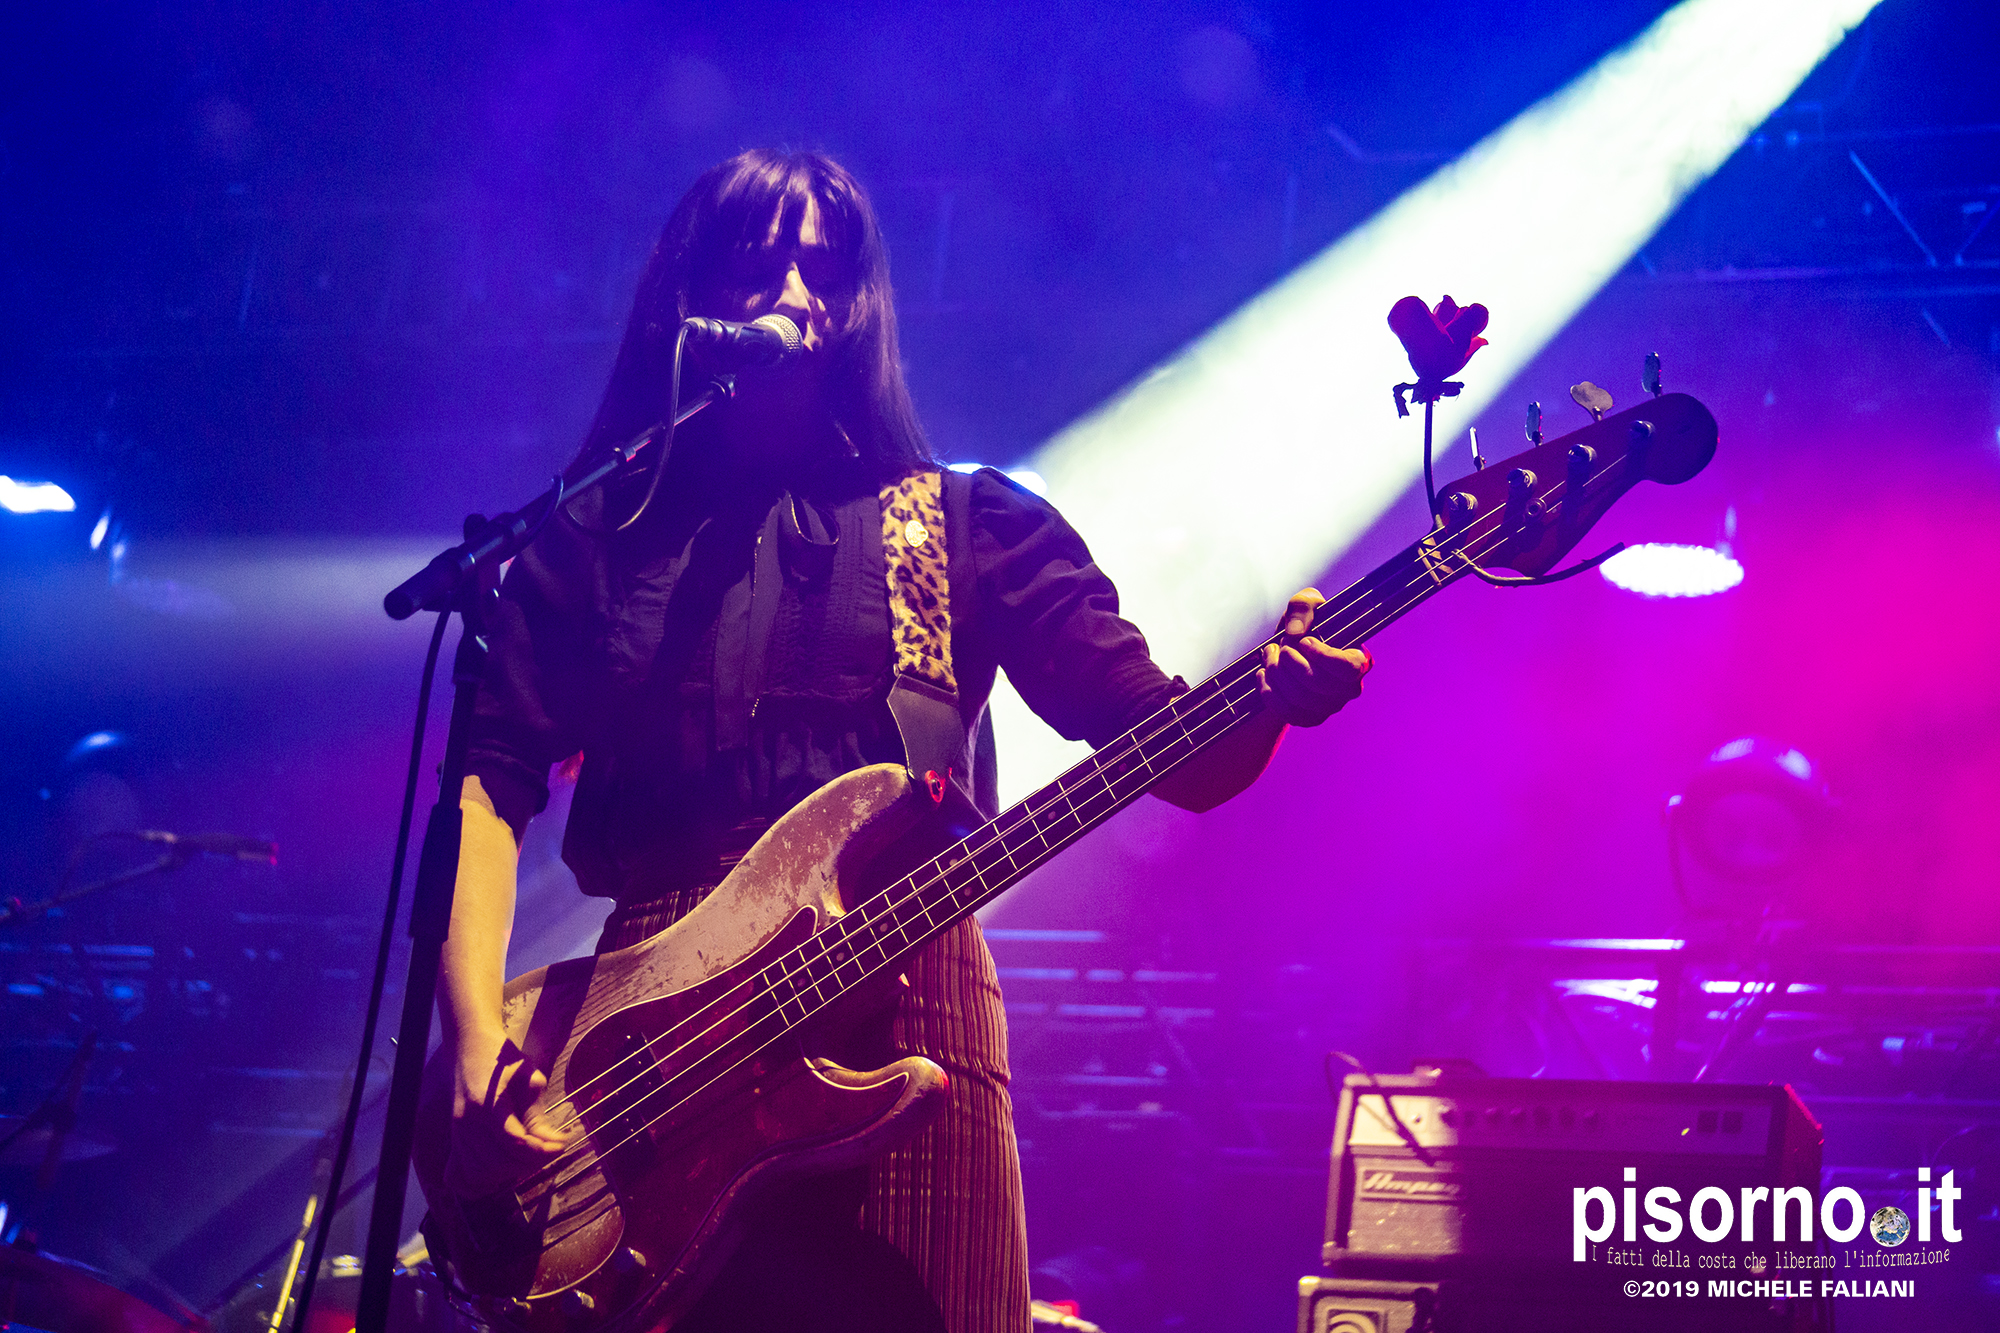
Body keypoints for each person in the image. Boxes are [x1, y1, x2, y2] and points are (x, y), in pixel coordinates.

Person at [438, 148, 1370, 1333]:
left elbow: (1181, 758)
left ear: (859, 306)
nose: (790, 292)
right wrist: (475, 1041)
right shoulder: (599, 534)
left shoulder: (970, 526)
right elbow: (489, 785)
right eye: (754, 261)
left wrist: (1269, 699)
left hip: (902, 997)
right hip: (641, 1047)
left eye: (823, 267)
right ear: (690, 293)